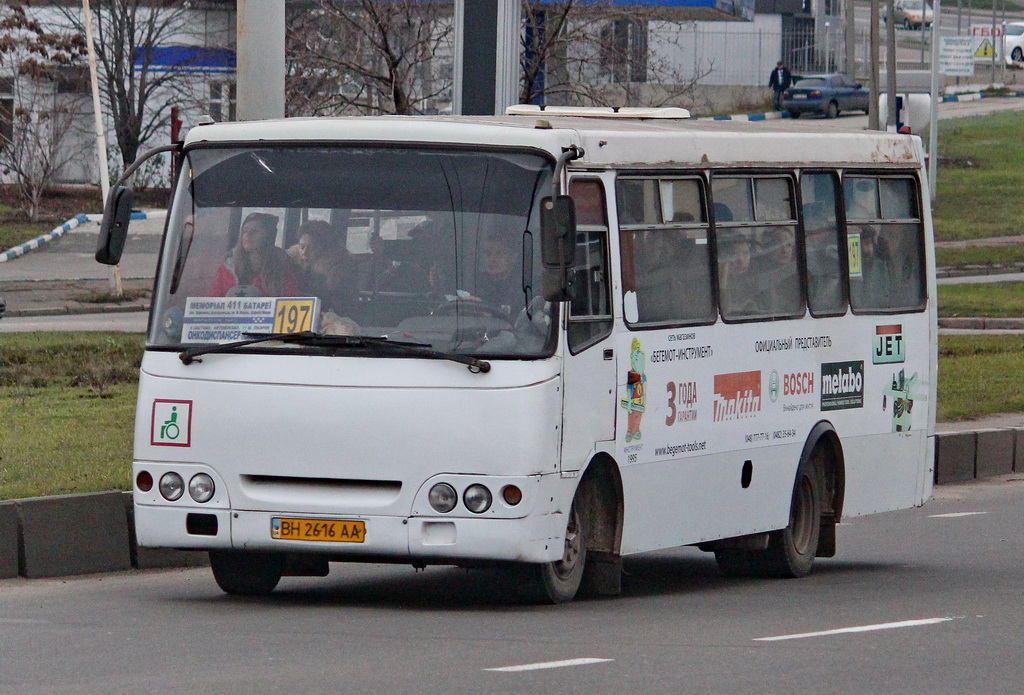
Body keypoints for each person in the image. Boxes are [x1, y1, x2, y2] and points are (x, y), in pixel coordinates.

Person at [210, 212, 298, 297]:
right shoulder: (226, 269)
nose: (248, 235)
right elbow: (213, 303)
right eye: (245, 231)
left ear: (268, 236)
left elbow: (290, 301)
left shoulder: (282, 269)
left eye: (255, 231)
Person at [288, 220, 359, 319]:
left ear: (328, 251)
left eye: (313, 248)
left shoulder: (343, 277)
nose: (305, 252)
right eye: (302, 247)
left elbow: (344, 311)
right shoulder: (290, 265)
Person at [474, 234, 523, 314]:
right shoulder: (478, 281)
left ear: (513, 257)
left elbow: (519, 312)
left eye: (499, 253)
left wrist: (487, 309)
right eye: (488, 253)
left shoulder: (523, 285)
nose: (492, 259)